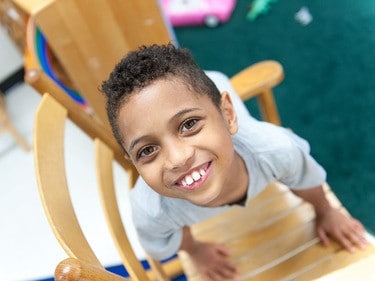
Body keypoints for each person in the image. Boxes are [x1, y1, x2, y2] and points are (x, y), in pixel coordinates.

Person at [100, 43, 368, 281]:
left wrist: (325, 210)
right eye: (147, 150)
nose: (178, 159)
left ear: (228, 114)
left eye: (189, 124)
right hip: (205, 93)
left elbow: (304, 176)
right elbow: (162, 239)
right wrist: (196, 250)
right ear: (133, 162)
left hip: (218, 84)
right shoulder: (151, 209)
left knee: (213, 83)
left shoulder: (275, 149)